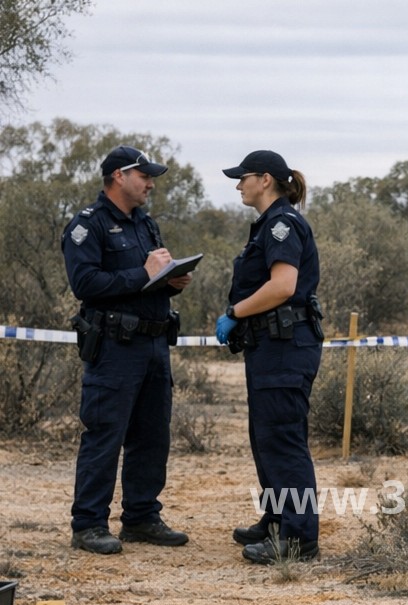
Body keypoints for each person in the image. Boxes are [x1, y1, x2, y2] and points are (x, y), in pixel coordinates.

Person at [62, 145, 192, 554]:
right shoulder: (88, 225)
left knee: (152, 435)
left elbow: (149, 278)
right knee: (105, 433)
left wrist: (170, 279)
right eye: (145, 176)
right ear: (119, 175)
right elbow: (85, 285)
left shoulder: (146, 224)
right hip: (115, 347)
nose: (150, 183)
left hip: (154, 343)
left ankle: (141, 517)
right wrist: (143, 273)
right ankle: (88, 524)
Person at [216, 151, 324, 565]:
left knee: (283, 440)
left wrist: (234, 313)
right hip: (270, 348)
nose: (238, 185)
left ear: (265, 179)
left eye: (242, 178)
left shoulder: (282, 224)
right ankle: (278, 520)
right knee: (267, 439)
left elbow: (282, 286)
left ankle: (298, 539)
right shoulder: (268, 225)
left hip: (285, 348)